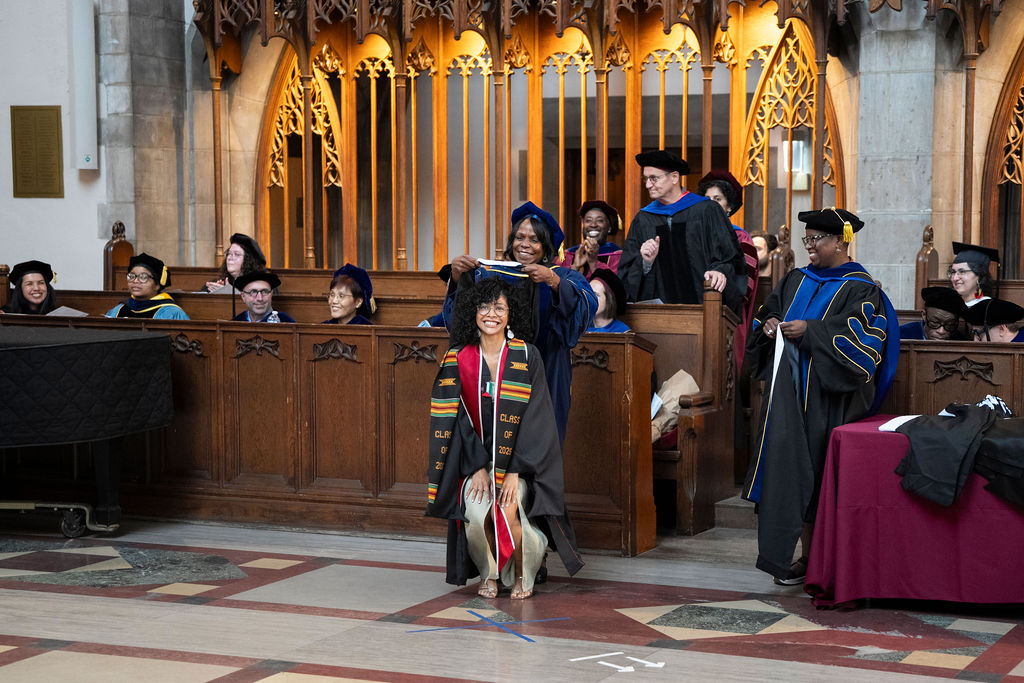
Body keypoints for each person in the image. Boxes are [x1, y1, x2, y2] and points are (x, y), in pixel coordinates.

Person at [742, 208, 899, 585]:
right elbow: (767, 313)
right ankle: (794, 555)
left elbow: (863, 348)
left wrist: (811, 332)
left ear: (841, 241)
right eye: (807, 239)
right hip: (785, 397)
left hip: (827, 403)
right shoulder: (795, 279)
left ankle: (819, 560)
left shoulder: (861, 289)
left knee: (816, 477)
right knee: (784, 472)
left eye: (816, 239)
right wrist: (769, 325)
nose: (809, 246)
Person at [426, 277, 582, 600]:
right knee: (476, 514)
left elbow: (537, 419)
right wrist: (477, 468)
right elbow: (455, 420)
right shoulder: (458, 358)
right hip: (475, 466)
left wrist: (514, 471)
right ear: (473, 312)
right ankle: (490, 573)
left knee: (508, 511)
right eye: (484, 306)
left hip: (519, 467)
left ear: (511, 314)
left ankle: (525, 568)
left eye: (499, 307)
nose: (491, 314)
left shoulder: (526, 356)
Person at [444, 200, 597, 443]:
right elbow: (461, 321)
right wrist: (456, 277)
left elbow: (587, 305)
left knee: (540, 444)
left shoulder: (563, 275)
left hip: (547, 371)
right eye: (519, 237)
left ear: (546, 246)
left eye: (534, 239)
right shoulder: (493, 274)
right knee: (496, 443)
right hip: (496, 375)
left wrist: (553, 282)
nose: (525, 244)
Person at [617, 150, 746, 312]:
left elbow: (730, 256)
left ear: (674, 177)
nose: (648, 185)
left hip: (704, 311)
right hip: (659, 316)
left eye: (654, 178)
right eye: (645, 179)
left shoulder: (707, 211)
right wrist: (645, 262)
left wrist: (719, 271)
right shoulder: (643, 219)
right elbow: (626, 271)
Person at [698, 169, 759, 368]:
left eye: (717, 199)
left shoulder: (741, 238)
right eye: (706, 199)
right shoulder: (696, 235)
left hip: (728, 314)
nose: (710, 204)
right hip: (696, 311)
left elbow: (744, 288)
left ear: (729, 206)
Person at [105, 253, 189, 319]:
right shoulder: (117, 311)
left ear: (157, 285)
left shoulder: (172, 313)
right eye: (131, 276)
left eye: (143, 277)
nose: (135, 281)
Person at [557, 200, 622, 276]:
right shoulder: (568, 255)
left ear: (609, 228)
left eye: (600, 221)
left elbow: (615, 283)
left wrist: (593, 263)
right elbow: (561, 282)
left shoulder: (617, 256)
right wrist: (575, 267)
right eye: (588, 221)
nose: (593, 225)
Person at [899, 286, 970, 341]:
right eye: (935, 323)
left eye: (949, 325)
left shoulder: (960, 341)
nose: (941, 331)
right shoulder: (901, 335)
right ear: (924, 315)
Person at [949, 241, 998, 308]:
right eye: (953, 272)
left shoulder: (989, 308)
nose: (955, 278)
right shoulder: (949, 305)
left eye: (962, 271)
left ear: (979, 277)